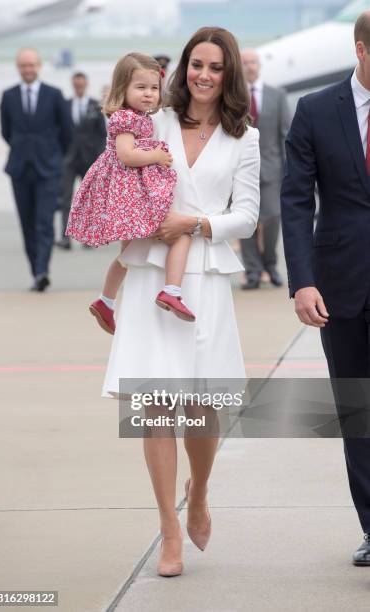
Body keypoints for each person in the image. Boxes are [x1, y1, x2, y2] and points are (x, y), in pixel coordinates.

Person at [102, 27, 260, 576]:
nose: (204, 76)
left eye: (215, 67)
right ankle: (169, 530)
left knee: (200, 408)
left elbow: (247, 216)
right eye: (197, 65)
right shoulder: (156, 120)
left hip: (205, 276)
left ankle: (199, 495)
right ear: (184, 68)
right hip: (151, 274)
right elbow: (119, 172)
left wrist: (193, 222)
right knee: (155, 407)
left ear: (229, 73)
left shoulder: (245, 136)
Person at [281, 10, 370, 567]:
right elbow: (294, 202)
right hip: (341, 288)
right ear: (362, 49)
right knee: (359, 412)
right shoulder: (315, 111)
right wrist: (302, 281)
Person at [66, 53, 196, 328]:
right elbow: (126, 155)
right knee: (182, 234)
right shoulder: (126, 118)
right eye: (141, 88)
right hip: (130, 195)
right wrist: (157, 156)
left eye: (153, 88)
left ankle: (106, 301)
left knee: (128, 254)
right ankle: (171, 291)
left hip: (130, 191)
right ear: (122, 88)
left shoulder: (136, 116)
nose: (149, 94)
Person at [0, 48, 72, 291]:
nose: (28, 70)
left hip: (48, 168)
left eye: (31, 65)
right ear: (18, 68)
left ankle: (43, 270)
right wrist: (24, 149)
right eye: (23, 66)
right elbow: (6, 132)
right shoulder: (8, 96)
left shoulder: (54, 95)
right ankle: (36, 271)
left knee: (43, 222)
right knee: (27, 222)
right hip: (20, 168)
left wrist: (53, 156)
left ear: (39, 66)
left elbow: (67, 132)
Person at [240, 48, 290, 289]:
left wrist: (288, 169)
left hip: (271, 168)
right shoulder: (234, 95)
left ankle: (270, 264)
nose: (250, 66)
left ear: (259, 65)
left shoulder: (277, 95)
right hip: (240, 169)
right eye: (245, 62)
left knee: (272, 218)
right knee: (245, 220)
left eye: (253, 62)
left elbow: (285, 135)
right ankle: (252, 271)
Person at [56, 71, 107, 250]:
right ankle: (65, 237)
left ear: (86, 84)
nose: (79, 87)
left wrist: (99, 159)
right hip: (68, 159)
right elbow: (58, 131)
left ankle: (87, 237)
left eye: (81, 84)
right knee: (65, 198)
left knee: (88, 199)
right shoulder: (64, 105)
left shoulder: (95, 106)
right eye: (76, 84)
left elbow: (102, 134)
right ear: (73, 85)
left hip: (89, 159)